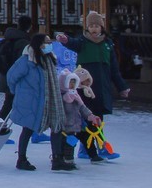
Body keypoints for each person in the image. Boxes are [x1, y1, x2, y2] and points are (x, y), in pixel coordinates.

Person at [56, 11, 129, 156]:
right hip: (85, 87)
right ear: (87, 28)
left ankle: (97, 146)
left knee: (98, 117)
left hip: (102, 88)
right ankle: (89, 147)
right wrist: (65, 40)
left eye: (96, 26)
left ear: (102, 27)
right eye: (91, 26)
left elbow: (114, 69)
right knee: (86, 117)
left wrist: (122, 87)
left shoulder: (107, 44)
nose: (94, 29)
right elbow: (72, 43)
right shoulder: (82, 42)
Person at [7, 34, 67, 171]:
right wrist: (19, 92)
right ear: (38, 44)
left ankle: (57, 158)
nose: (49, 45)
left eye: (50, 42)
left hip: (50, 99)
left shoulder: (50, 58)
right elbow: (11, 77)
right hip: (30, 100)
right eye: (46, 42)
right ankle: (21, 159)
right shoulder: (26, 60)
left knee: (57, 125)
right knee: (28, 128)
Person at [60, 68, 104, 165]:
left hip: (79, 123)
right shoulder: (62, 96)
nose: (72, 85)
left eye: (74, 82)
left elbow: (82, 107)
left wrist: (92, 116)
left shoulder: (76, 94)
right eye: (70, 82)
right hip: (67, 125)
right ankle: (66, 159)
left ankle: (93, 155)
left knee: (85, 138)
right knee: (69, 142)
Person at [0, 15, 32, 119]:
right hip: (16, 79)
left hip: (4, 76)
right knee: (19, 104)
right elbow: (23, 64)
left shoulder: (7, 39)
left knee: (8, 103)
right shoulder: (24, 43)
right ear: (30, 27)